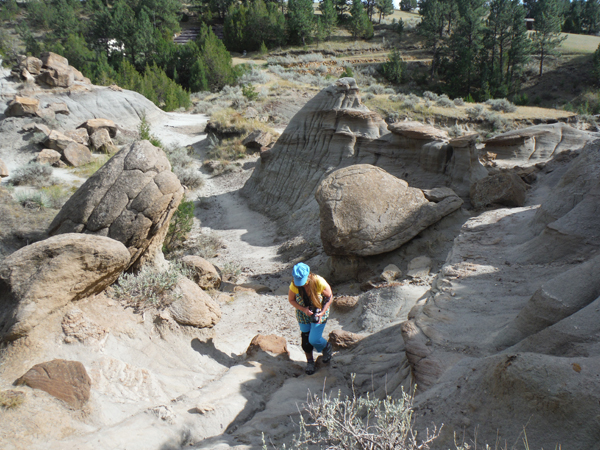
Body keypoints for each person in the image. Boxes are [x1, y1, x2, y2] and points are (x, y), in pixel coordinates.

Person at [288, 262, 333, 375]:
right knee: (306, 341)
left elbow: (330, 297)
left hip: (319, 312)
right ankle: (310, 362)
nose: (301, 285)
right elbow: (291, 300)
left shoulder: (318, 281)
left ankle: (326, 346)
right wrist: (304, 310)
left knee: (313, 339)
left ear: (309, 275)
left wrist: (322, 312)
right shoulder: (294, 284)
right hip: (303, 314)